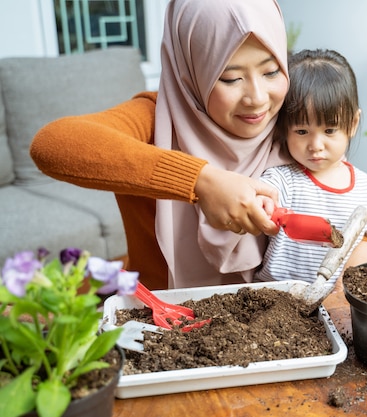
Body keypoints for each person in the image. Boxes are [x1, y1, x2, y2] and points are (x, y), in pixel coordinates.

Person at [30, 0, 293, 290]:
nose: (256, 98)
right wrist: (200, 180)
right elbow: (53, 142)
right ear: (192, 71)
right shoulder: (156, 120)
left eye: (271, 72)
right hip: (158, 313)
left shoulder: (297, 119)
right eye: (230, 78)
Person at [255, 49, 367, 286]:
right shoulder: (281, 180)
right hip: (278, 299)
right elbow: (259, 199)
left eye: (329, 131)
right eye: (302, 132)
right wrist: (260, 205)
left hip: (338, 306)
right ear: (283, 128)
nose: (315, 146)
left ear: (353, 123)